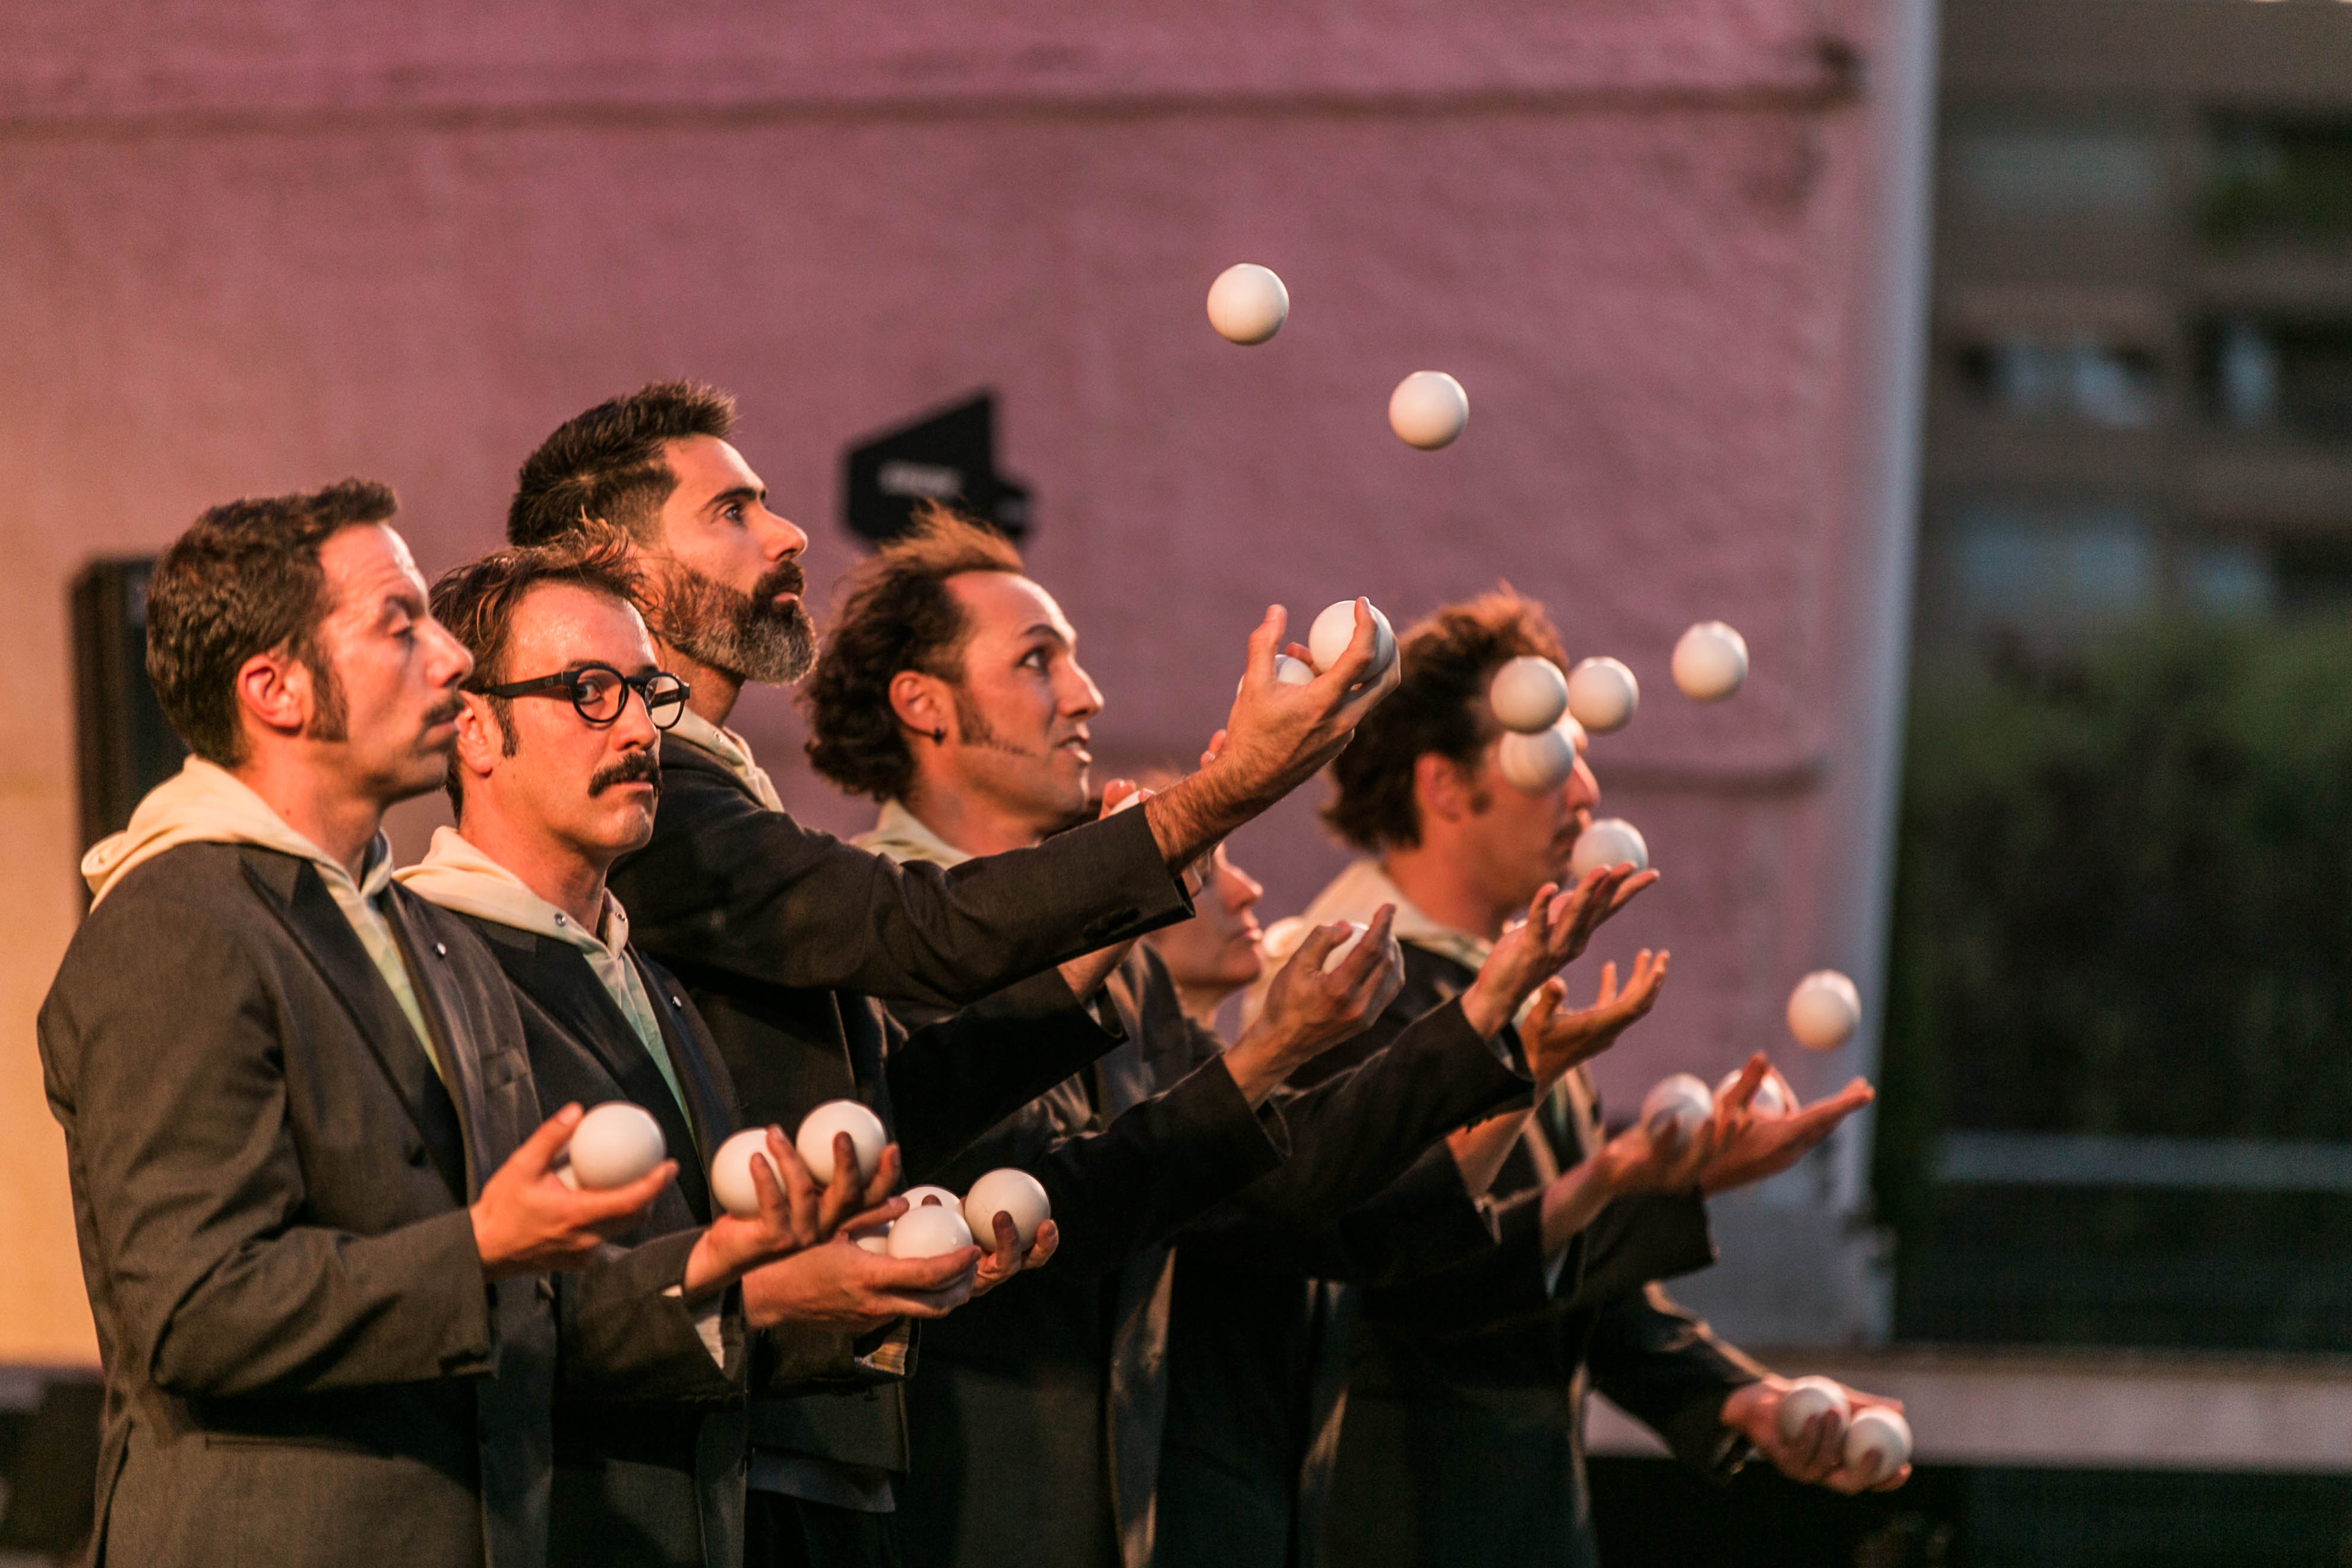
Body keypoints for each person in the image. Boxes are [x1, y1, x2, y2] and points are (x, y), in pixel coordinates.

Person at [506, 383, 1398, 1567]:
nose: (789, 538)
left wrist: (1158, 905)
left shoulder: (712, 787)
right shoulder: (652, 801)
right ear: (617, 563)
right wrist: (1218, 798)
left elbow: (899, 1110)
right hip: (724, 1436)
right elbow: (920, 931)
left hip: (814, 1437)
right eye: (734, 511)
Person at [801, 507, 1657, 1568]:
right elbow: (1026, 1187)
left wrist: (1483, 1017)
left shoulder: (1129, 967)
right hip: (946, 1513)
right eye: (1037, 662)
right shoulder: (867, 935)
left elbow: (1279, 1194)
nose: (1086, 694)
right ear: (921, 704)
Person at [40, 483, 813, 1568]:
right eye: (399, 626)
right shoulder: (180, 922)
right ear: (274, 689)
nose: (449, 660)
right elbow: (196, 1311)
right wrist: (484, 1244)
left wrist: (722, 1273)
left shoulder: (417, 934)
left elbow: (533, 1313)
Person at [1269, 592, 1904, 1567]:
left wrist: (1741, 1398)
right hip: (1388, 1527)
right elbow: (1408, 1270)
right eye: (1552, 759)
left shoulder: (1512, 989)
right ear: (1444, 787)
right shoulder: (1341, 989)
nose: (1587, 794)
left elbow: (1571, 1280)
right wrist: (1635, 1181)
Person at [402, 533, 970, 1568]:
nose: (637, 728)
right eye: (587, 691)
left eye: (646, 692)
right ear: (476, 730)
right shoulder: (423, 960)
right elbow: (448, 1316)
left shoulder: (649, 978)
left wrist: (847, 1296)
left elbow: (707, 1305)